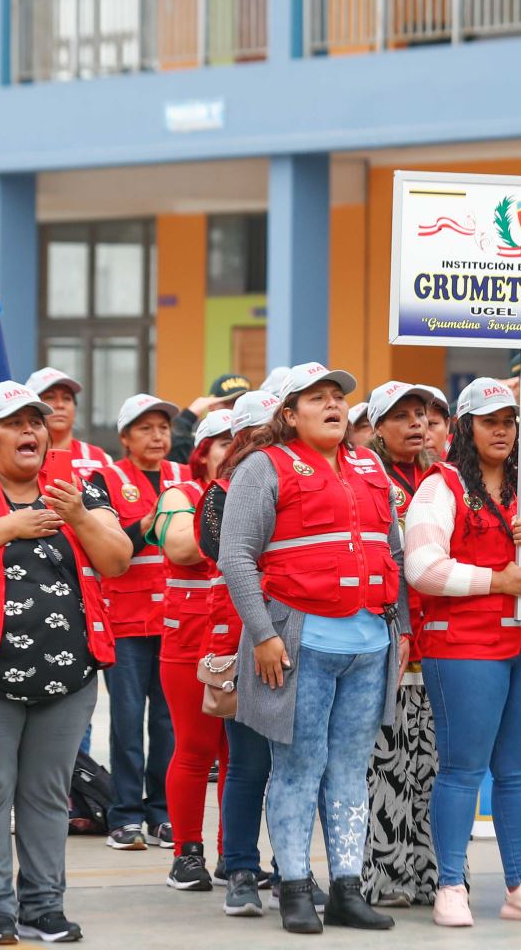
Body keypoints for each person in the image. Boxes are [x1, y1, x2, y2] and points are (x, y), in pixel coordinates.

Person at [0, 381, 133, 945]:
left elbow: (117, 558)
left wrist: (78, 516)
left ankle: (43, 907)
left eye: (36, 421)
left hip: (69, 675)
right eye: (15, 423)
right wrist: (13, 524)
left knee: (46, 794)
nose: (31, 430)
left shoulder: (79, 489)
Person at [217, 362, 404, 935]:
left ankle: (347, 888)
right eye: (315, 398)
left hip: (370, 642)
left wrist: (402, 638)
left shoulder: (371, 465)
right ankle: (294, 886)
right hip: (299, 643)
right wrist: (265, 636)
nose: (331, 405)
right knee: (296, 768)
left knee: (351, 769)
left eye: (337, 397)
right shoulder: (262, 466)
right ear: (289, 413)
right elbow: (235, 558)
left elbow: (391, 552)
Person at [403, 379, 521, 927]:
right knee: (461, 769)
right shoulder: (441, 487)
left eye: (509, 421)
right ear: (465, 428)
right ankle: (450, 884)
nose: (501, 430)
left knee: (520, 771)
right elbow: (422, 569)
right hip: (465, 646)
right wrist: (494, 580)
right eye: (489, 421)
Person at [194, 391, 285, 918]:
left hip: (298, 632)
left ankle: (292, 870)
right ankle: (241, 867)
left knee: (295, 768)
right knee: (248, 762)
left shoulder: (305, 476)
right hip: (242, 634)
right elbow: (224, 555)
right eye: (261, 434)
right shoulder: (222, 491)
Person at [360, 380, 441, 910]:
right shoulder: (367, 478)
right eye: (402, 415)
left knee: (431, 758)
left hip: (444, 634)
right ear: (376, 427)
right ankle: (384, 874)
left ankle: (427, 871)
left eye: (423, 414)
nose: (415, 424)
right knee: (386, 757)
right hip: (388, 632)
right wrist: (402, 627)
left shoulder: (445, 479)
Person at [146, 408, 234, 891]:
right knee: (196, 749)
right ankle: (186, 853)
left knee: (238, 756)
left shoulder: (264, 490)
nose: (233, 447)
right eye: (223, 441)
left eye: (243, 439)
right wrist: (238, 530)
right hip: (189, 642)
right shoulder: (182, 493)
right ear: (202, 453)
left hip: (245, 638)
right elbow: (181, 547)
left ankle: (233, 853)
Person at [99, 393, 190, 851]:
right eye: (145, 429)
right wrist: (151, 520)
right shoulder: (107, 479)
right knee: (128, 719)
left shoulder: (184, 476)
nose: (157, 437)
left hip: (175, 618)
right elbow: (109, 547)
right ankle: (125, 815)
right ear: (125, 438)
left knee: (169, 722)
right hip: (128, 619)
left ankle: (161, 812)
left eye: (163, 428)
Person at [24, 368, 114, 480]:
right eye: (49, 397)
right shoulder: (22, 456)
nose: (60, 404)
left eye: (67, 398)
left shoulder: (101, 458)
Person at [171, 373, 251, 464]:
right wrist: (188, 416)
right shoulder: (199, 433)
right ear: (212, 405)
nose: (237, 407)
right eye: (230, 402)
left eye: (242, 402)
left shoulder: (256, 432)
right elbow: (174, 457)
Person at [422, 386, 453, 460]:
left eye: (431, 424)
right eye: (417, 426)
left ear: (447, 425)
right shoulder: (390, 470)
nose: (425, 437)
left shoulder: (464, 462)